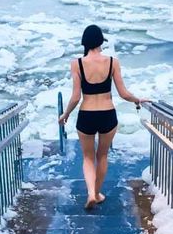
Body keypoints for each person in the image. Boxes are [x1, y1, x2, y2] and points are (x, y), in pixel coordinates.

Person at [58, 24, 148, 209]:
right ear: (101, 42)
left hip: (86, 115)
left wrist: (65, 114)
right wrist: (137, 100)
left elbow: (76, 97)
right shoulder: (113, 62)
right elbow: (123, 93)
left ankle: (90, 193)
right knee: (103, 155)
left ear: (85, 42)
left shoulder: (77, 64)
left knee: (88, 157)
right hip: (107, 114)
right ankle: (97, 194)